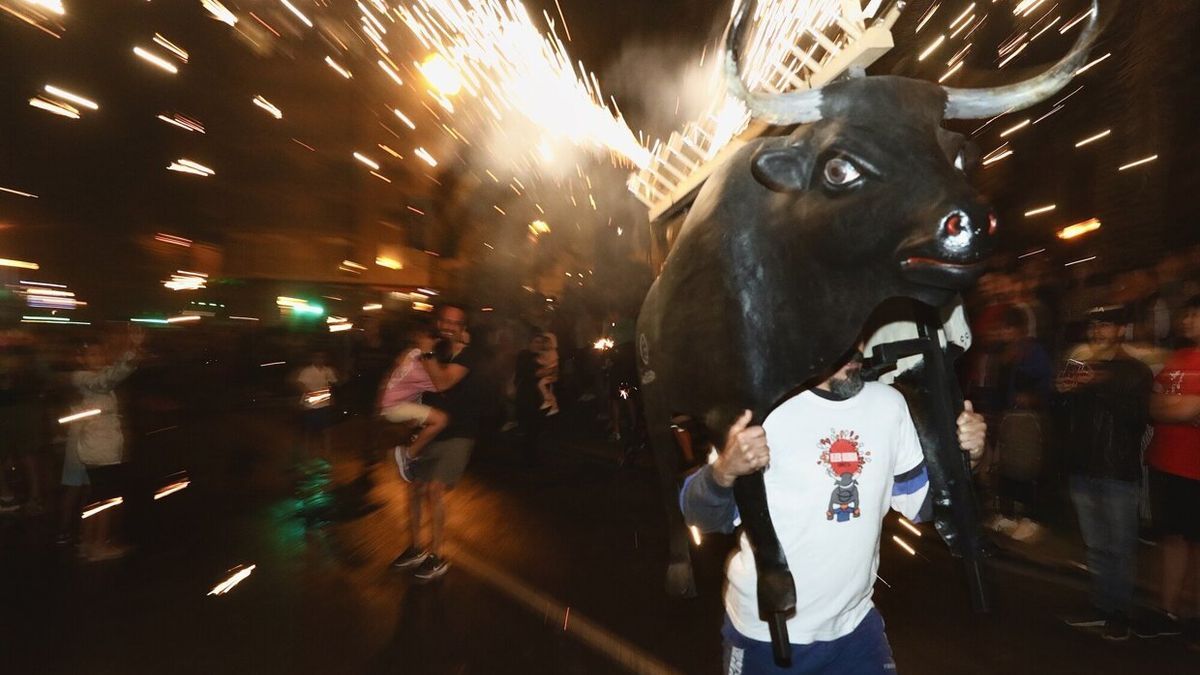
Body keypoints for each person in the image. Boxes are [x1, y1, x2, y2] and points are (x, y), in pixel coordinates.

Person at [680, 344, 986, 674]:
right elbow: (701, 516)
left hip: (856, 628)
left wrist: (968, 457)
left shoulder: (889, 404)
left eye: (859, 333)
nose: (855, 348)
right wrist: (725, 470)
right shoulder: (761, 409)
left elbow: (925, 507)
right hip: (770, 633)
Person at [1053, 305, 1153, 640]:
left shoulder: (1135, 371)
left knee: (1120, 547)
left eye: (1106, 325)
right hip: (1083, 467)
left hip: (1117, 471)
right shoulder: (1082, 365)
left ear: (1121, 329)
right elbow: (1066, 417)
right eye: (1094, 325)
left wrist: (1098, 383)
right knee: (1095, 546)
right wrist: (1063, 394)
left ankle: (1119, 613)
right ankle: (1100, 606)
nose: (1098, 331)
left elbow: (1136, 420)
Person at [391, 303, 482, 582]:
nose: (448, 326)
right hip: (430, 430)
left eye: (455, 323)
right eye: (444, 321)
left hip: (459, 433)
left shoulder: (470, 356)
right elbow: (408, 378)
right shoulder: (433, 350)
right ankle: (416, 547)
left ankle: (437, 556)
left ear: (463, 328)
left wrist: (427, 351)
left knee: (434, 489)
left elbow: (442, 383)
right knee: (415, 489)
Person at [1141, 294, 1200, 637]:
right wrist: (1180, 407)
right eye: (1188, 314)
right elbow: (1156, 405)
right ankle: (1169, 611)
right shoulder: (1178, 357)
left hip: (1194, 468)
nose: (1188, 320)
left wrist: (1176, 407)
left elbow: (1179, 409)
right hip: (1167, 463)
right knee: (1173, 539)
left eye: (1195, 315)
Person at [71, 327, 144, 561]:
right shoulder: (84, 378)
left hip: (101, 446)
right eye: (91, 354)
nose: (97, 358)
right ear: (81, 358)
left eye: (99, 354)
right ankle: (98, 545)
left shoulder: (94, 378)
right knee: (106, 498)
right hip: (99, 448)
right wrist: (131, 352)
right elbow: (109, 378)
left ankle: (88, 543)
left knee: (96, 497)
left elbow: (113, 375)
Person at [378, 324, 449, 481]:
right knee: (440, 420)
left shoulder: (413, 353)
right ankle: (406, 455)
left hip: (391, 402)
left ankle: (411, 450)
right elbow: (444, 385)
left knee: (423, 421)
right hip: (395, 407)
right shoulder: (424, 373)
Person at [295, 349, 337, 457]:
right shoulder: (307, 371)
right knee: (310, 430)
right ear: (312, 358)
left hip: (324, 403)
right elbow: (300, 384)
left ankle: (326, 452)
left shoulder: (328, 370)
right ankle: (309, 452)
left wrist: (331, 397)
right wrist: (310, 395)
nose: (320, 359)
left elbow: (332, 384)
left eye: (322, 357)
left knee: (326, 430)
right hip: (310, 404)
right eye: (317, 357)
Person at [535, 332, 560, 416]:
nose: (544, 344)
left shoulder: (553, 353)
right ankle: (551, 405)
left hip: (551, 375)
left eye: (546, 342)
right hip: (548, 374)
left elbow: (553, 364)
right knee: (548, 390)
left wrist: (548, 369)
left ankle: (550, 403)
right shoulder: (547, 352)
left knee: (542, 385)